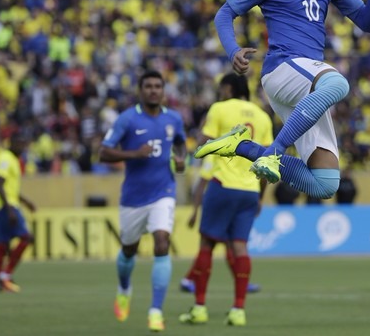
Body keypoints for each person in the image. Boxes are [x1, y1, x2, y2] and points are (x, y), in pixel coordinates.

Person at [195, 0, 370, 200]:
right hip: (283, 69)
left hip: (307, 83)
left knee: (325, 183)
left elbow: (367, 22)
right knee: (337, 82)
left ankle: (242, 147)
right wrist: (232, 50)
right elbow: (225, 13)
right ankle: (273, 152)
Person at [179, 73, 273, 327]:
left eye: (221, 89)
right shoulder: (263, 116)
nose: (219, 94)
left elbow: (201, 143)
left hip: (223, 184)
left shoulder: (220, 108)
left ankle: (199, 307)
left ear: (229, 88)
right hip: (250, 190)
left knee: (207, 245)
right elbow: (267, 160)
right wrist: (260, 197)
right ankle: (238, 310)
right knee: (240, 247)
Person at [99, 70, 187, 332]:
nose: (153, 90)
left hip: (164, 192)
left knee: (162, 242)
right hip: (133, 199)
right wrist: (134, 153)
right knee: (129, 249)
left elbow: (181, 144)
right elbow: (103, 152)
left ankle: (156, 311)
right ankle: (124, 288)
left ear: (163, 90)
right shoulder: (127, 119)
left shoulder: (174, 118)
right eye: (148, 86)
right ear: (140, 90)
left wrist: (181, 161)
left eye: (157, 86)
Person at [179, 155, 262, 294]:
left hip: (228, 202)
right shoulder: (215, 154)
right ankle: (189, 279)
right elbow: (202, 182)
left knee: (224, 245)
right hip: (217, 204)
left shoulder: (238, 155)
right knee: (213, 244)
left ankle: (240, 282)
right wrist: (195, 211)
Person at [0, 133, 36, 293]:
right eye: (20, 144)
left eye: (24, 144)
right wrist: (9, 210)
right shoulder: (5, 158)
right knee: (26, 237)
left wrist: (26, 201)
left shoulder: (14, 160)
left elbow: (11, 188)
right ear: (12, 143)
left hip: (6, 204)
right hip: (4, 206)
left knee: (3, 243)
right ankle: (5, 275)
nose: (22, 148)